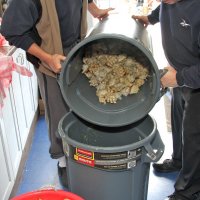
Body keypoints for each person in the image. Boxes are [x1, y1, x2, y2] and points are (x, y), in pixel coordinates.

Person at [0, 0, 114, 188]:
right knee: (58, 112)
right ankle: (62, 160)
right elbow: (11, 30)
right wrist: (47, 58)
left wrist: (96, 11)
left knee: (81, 106)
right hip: (50, 56)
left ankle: (81, 151)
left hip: (76, 50)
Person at [132, 0, 200, 199]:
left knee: (194, 136)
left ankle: (189, 191)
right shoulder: (167, 2)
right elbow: (165, 8)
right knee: (179, 123)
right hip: (180, 74)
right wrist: (151, 18)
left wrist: (179, 78)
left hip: (193, 79)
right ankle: (179, 160)